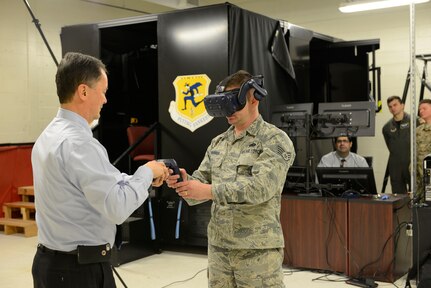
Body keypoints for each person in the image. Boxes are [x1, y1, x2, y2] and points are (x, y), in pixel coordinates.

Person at [31, 52, 169, 288]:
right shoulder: (80, 144)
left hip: (51, 265)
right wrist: (146, 171)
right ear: (83, 92)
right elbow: (117, 207)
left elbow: (103, 181)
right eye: (103, 92)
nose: (105, 100)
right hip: (78, 272)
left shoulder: (49, 136)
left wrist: (139, 178)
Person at [167, 70, 295, 288]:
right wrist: (185, 183)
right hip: (219, 248)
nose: (228, 112)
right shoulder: (219, 142)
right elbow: (201, 183)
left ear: (253, 98)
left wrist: (207, 191)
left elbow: (261, 188)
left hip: (257, 251)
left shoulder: (274, 140)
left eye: (233, 103)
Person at [382, 96, 411, 194]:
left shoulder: (415, 121)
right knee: (398, 197)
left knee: (418, 195)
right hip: (396, 166)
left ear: (402, 105)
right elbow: (391, 147)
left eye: (395, 105)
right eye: (390, 106)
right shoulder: (386, 128)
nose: (392, 108)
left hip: (412, 163)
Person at [416, 99, 431, 202]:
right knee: (420, 203)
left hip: (429, 173)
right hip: (419, 175)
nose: (421, 111)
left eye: (424, 108)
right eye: (420, 109)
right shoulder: (418, 130)